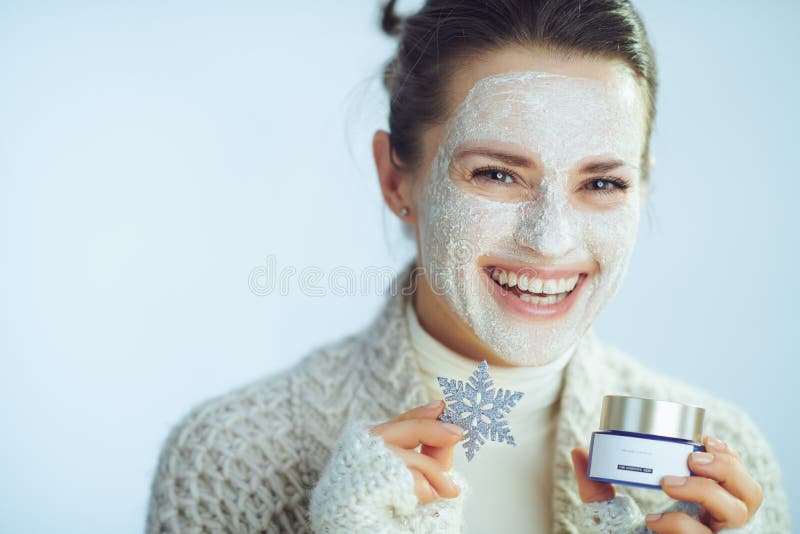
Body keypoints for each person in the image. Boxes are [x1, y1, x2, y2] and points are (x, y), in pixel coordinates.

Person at [145, 1, 791, 532]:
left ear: (642, 187)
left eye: (601, 185)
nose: (549, 240)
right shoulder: (228, 460)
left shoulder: (723, 472)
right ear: (396, 180)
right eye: (497, 173)